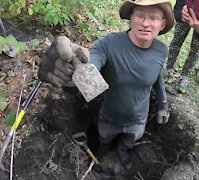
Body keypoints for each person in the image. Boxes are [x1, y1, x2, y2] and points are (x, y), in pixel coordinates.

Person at [38, 0, 174, 170]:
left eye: (153, 18)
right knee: (104, 139)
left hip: (138, 119)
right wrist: (78, 69)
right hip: (109, 117)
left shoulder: (161, 50)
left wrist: (162, 103)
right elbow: (92, 61)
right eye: (140, 15)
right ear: (131, 17)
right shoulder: (109, 44)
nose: (146, 23)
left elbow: (157, 75)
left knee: (129, 141)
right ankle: (101, 151)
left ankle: (123, 152)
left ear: (162, 24)